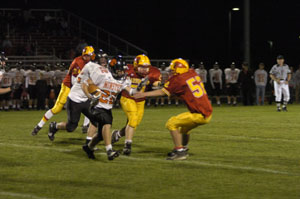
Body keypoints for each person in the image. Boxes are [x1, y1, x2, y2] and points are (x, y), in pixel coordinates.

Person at [133, 58, 213, 160]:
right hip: (206, 112)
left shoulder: (178, 79)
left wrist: (142, 94)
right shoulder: (191, 73)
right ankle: (183, 147)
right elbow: (186, 90)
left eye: (172, 70)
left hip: (199, 114)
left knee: (171, 123)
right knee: (184, 129)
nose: (171, 73)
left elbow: (162, 92)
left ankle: (180, 151)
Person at [31, 46, 95, 136]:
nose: (89, 57)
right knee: (57, 108)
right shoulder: (78, 62)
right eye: (88, 55)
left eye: (89, 56)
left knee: (89, 104)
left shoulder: (88, 64)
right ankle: (39, 126)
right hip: (69, 86)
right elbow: (74, 81)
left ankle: (85, 125)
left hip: (79, 88)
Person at [80, 57, 135, 160]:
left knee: (101, 135)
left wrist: (139, 88)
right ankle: (109, 150)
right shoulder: (103, 75)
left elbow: (131, 92)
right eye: (119, 71)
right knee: (107, 122)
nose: (121, 73)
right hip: (96, 106)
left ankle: (88, 147)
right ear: (113, 70)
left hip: (107, 108)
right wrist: (89, 96)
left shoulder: (124, 80)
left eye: (123, 71)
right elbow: (84, 83)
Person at [111, 54, 161, 155]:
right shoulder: (128, 70)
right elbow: (115, 72)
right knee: (133, 120)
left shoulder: (153, 72)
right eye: (142, 67)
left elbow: (157, 83)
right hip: (127, 98)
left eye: (146, 67)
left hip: (141, 101)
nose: (145, 70)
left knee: (133, 124)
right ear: (135, 65)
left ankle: (118, 134)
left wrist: (157, 85)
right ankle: (127, 145)